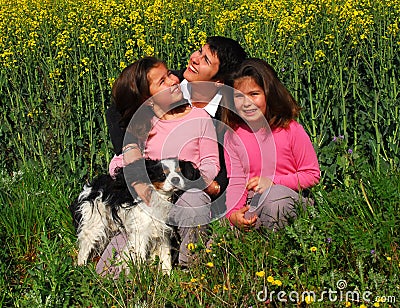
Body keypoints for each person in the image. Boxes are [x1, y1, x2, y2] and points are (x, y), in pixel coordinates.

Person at [97, 57, 220, 276]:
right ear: (148, 100)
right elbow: (117, 163)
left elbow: (211, 162)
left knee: (194, 200)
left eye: (170, 74)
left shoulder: (200, 118)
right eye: (162, 81)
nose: (174, 80)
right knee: (107, 270)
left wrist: (196, 181)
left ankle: (191, 264)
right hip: (150, 205)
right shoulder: (144, 125)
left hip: (185, 197)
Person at [107, 36, 247, 216]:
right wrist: (130, 151)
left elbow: (218, 164)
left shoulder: (227, 113)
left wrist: (197, 183)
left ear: (219, 81)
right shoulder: (170, 83)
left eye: (205, 60)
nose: (194, 58)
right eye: (199, 51)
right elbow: (120, 108)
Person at [222, 58, 320, 231]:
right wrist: (234, 214)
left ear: (269, 94)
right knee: (221, 236)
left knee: (274, 198)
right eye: (239, 96)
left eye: (254, 94)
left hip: (290, 198)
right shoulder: (233, 136)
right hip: (253, 201)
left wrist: (273, 182)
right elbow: (236, 182)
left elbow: (312, 174)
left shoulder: (291, 130)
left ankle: (276, 250)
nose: (246, 103)